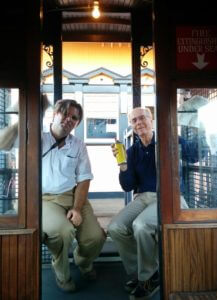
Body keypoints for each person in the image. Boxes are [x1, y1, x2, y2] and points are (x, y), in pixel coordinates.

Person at [108, 107, 206, 299]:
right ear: (132, 125)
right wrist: (123, 165)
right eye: (134, 120)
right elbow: (128, 186)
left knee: (141, 225)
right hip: (143, 197)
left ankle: (147, 277)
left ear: (151, 119)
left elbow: (196, 155)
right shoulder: (132, 151)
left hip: (169, 196)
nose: (138, 123)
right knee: (115, 227)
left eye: (142, 118)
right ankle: (147, 272)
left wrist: (198, 127)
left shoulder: (169, 139)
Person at [42, 99, 106, 292]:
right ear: (55, 113)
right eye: (65, 114)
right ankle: (62, 274)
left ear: (77, 123)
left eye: (74, 117)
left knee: (96, 237)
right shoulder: (37, 138)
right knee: (63, 232)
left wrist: (77, 208)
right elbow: (4, 142)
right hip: (46, 199)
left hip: (73, 195)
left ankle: (83, 262)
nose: (69, 119)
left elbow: (84, 179)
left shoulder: (78, 145)